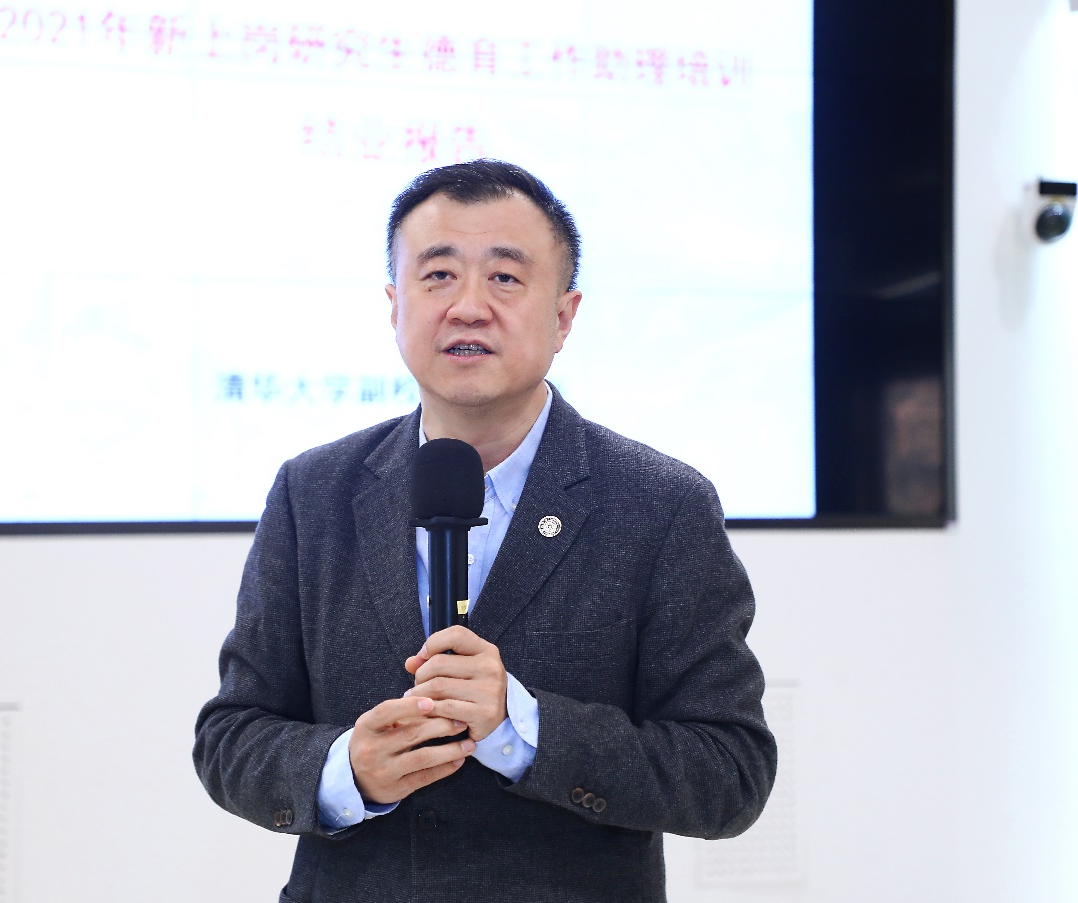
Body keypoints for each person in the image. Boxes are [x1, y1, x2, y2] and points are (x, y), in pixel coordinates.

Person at [193, 159, 776, 903]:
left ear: (564, 316)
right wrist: (344, 770)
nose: (469, 307)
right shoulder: (314, 492)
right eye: (438, 275)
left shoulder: (659, 504)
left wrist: (523, 727)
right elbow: (232, 736)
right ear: (395, 305)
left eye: (505, 277)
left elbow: (729, 773)